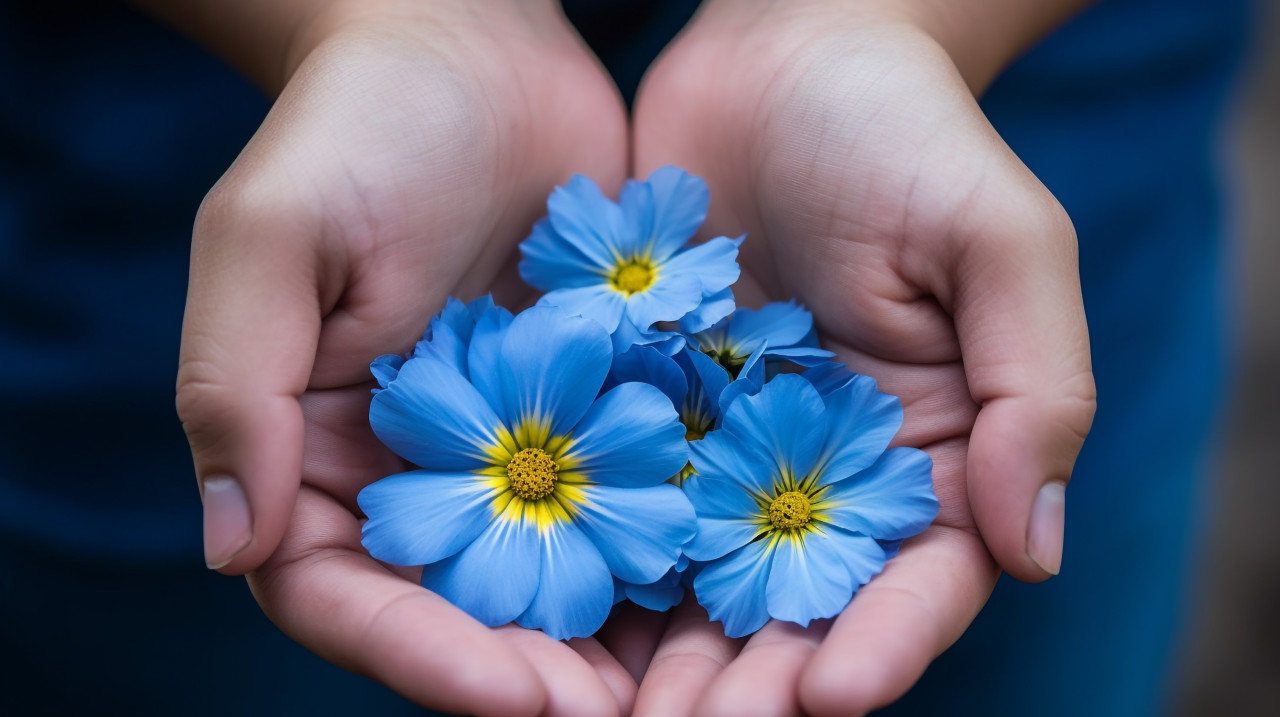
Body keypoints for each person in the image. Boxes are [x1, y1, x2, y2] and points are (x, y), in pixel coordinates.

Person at [0, 0, 1247, 715]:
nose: (532, 469)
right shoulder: (591, 431)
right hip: (206, 93)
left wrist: (877, 21)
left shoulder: (666, 430)